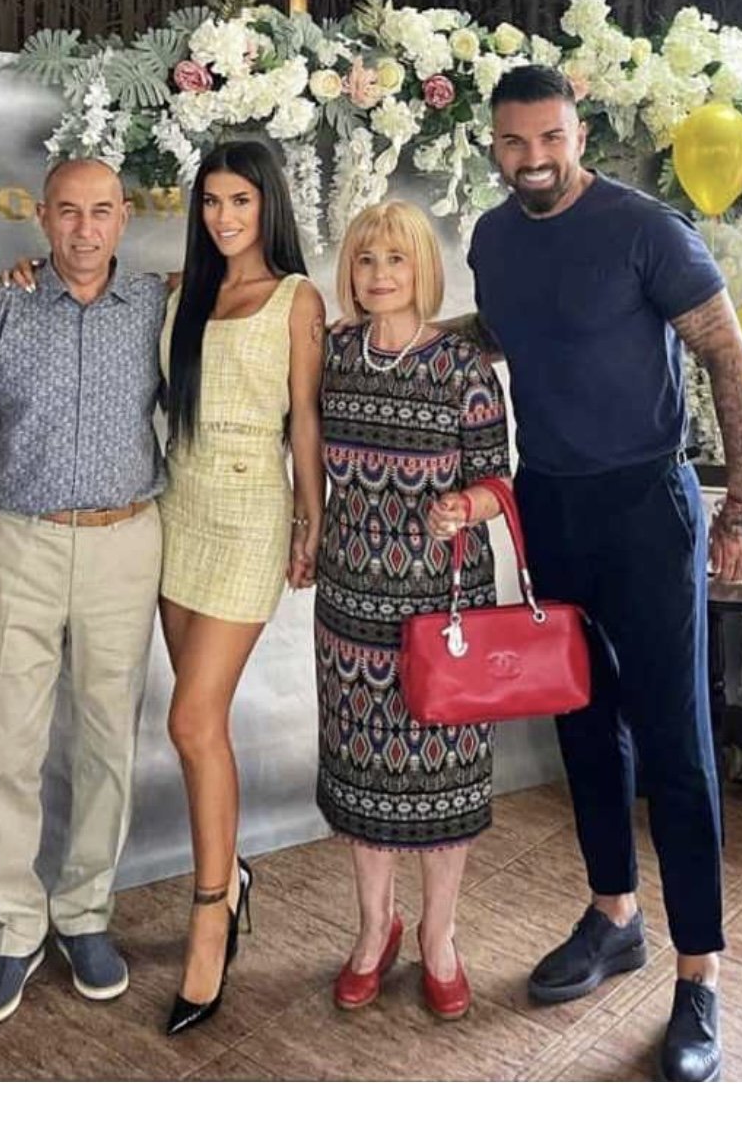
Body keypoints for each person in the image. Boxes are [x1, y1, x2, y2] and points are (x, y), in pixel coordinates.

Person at [465, 64, 742, 1081]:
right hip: (549, 502)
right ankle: (614, 915)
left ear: (578, 135)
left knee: (676, 743)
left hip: (647, 506)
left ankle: (700, 975)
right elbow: (507, 334)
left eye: (550, 139)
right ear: (494, 144)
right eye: (514, 142)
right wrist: (409, 331)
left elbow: (728, 357)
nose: (533, 159)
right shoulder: (493, 238)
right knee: (584, 726)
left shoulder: (647, 230)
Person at [5, 140, 325, 1036]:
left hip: (249, 516)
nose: (225, 217)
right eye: (212, 202)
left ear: (269, 207)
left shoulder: (297, 299)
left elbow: (305, 418)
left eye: (241, 201)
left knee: (190, 720)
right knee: (200, 729)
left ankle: (210, 913)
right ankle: (231, 876)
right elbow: (86, 284)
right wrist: (26, 272)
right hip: (174, 509)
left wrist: (314, 515)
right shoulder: (177, 294)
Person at [0, 158, 167, 1026]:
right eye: (67, 212)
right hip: (21, 547)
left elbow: (240, 285)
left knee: (109, 740)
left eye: (100, 211)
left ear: (123, 218)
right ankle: (13, 928)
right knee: (9, 743)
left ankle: (84, 913)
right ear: (42, 217)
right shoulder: (7, 304)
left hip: (123, 545)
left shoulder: (152, 304)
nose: (84, 229)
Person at [316, 200, 513, 1021]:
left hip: (444, 604)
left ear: (423, 269)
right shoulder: (333, 354)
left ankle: (439, 933)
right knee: (363, 771)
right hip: (350, 603)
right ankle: (374, 928)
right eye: (365, 260)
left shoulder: (463, 369)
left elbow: (500, 481)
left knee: (444, 776)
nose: (379, 274)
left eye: (395, 259)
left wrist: (466, 506)